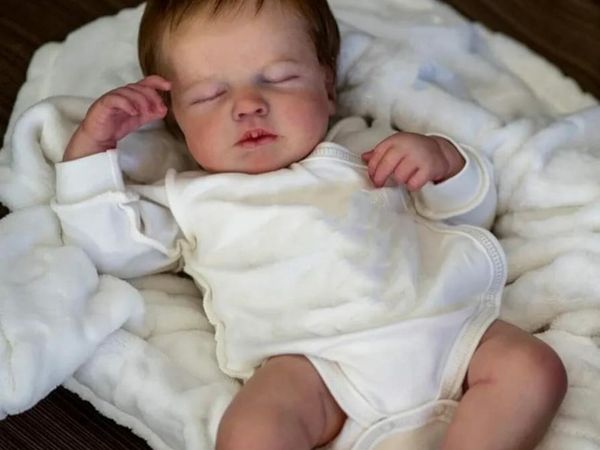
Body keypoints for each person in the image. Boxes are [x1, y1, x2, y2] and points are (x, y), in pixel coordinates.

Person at [52, 1, 568, 449]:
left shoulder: (365, 150)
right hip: (316, 368)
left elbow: (466, 216)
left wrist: (443, 163)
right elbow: (109, 246)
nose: (248, 105)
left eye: (277, 78)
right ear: (176, 122)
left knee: (533, 370)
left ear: (327, 86)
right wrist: (92, 148)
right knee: (251, 430)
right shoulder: (190, 200)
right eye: (209, 95)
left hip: (442, 329)